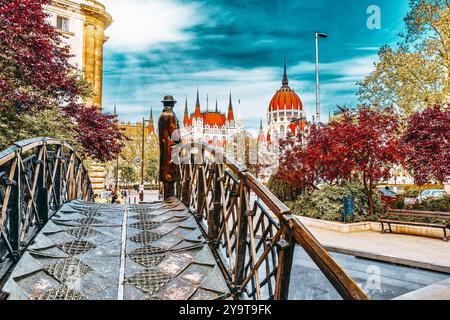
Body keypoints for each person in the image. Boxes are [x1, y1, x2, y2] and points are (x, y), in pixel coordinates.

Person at [158, 95, 181, 200]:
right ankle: (170, 198)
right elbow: (173, 132)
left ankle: (166, 197)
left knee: (165, 171)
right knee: (170, 173)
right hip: (170, 148)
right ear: (172, 104)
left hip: (164, 148)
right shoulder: (171, 115)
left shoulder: (161, 115)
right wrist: (181, 142)